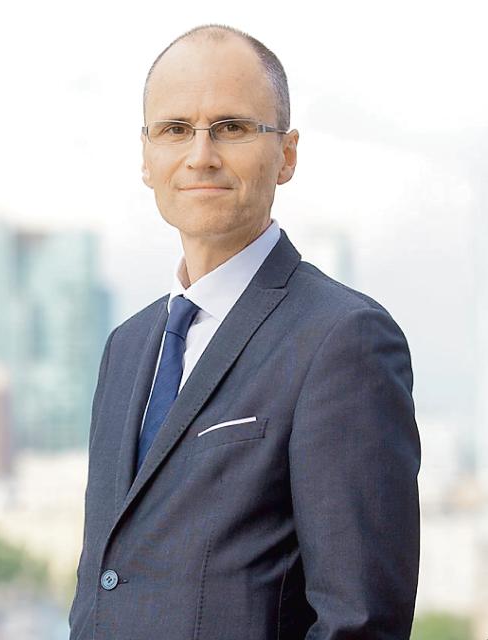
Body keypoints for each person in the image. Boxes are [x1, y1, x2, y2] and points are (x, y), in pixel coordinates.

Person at [69, 23, 421, 640]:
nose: (200, 155)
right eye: (175, 130)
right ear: (146, 157)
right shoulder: (126, 346)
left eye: (231, 127)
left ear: (287, 155)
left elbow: (360, 623)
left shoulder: (344, 340)